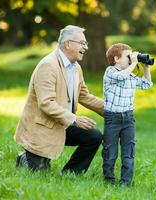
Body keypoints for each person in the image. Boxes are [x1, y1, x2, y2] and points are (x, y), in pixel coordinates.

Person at [14, 25, 104, 174]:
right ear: (68, 44)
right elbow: (46, 103)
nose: (86, 47)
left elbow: (84, 95)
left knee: (93, 136)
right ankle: (25, 158)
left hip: (63, 123)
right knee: (38, 172)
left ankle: (70, 173)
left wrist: (111, 109)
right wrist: (74, 119)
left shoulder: (76, 68)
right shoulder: (48, 65)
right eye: (82, 43)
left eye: (86, 43)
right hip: (43, 127)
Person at [102, 43, 153, 186]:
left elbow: (147, 84)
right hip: (113, 119)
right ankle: (109, 180)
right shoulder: (110, 71)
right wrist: (134, 63)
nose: (131, 59)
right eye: (128, 56)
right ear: (116, 58)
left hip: (128, 118)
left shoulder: (130, 75)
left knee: (128, 152)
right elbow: (120, 77)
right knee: (110, 152)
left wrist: (145, 68)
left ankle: (125, 182)